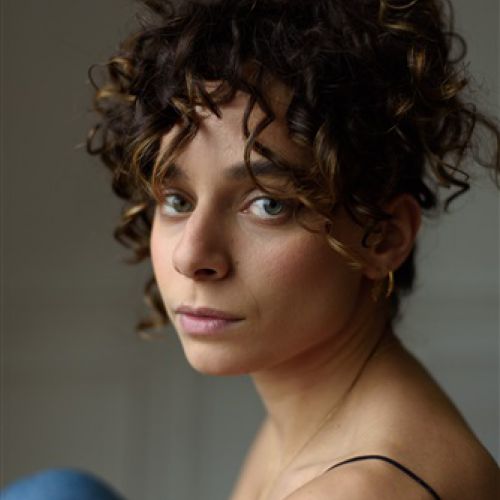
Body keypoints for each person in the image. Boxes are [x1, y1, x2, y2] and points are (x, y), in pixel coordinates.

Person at [82, 0, 499, 498]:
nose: (191, 257)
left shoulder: (361, 488)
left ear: (384, 236)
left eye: (268, 205)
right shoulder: (307, 429)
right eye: (177, 200)